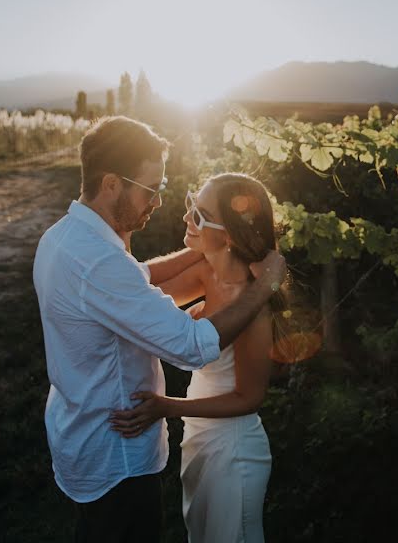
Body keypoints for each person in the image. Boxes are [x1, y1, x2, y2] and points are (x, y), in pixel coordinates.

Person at [33, 118, 286, 543]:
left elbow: (138, 279)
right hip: (116, 452)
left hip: (95, 437)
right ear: (111, 183)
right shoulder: (102, 263)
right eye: (151, 189)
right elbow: (191, 346)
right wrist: (267, 285)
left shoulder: (61, 239)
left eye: (195, 210)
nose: (161, 203)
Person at [109, 173, 284, 543]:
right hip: (198, 438)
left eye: (200, 215)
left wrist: (166, 407)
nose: (186, 217)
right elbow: (133, 285)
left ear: (231, 233)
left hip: (233, 450)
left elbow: (249, 398)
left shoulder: (252, 307)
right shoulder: (207, 273)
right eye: (191, 204)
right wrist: (201, 242)